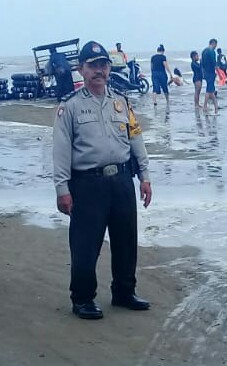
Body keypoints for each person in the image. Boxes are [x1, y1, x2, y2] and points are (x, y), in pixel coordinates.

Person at [53, 41, 153, 320]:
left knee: (125, 240)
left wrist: (144, 176)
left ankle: (124, 292)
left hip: (121, 181)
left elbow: (136, 138)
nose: (99, 70)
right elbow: (60, 151)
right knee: (85, 245)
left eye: (103, 65)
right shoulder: (69, 107)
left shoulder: (121, 102)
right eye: (93, 66)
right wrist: (62, 189)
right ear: (81, 69)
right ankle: (83, 298)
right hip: (87, 185)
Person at [201, 39, 220, 114]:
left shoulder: (204, 51)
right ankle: (205, 105)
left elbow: (202, 62)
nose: (215, 47)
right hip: (211, 72)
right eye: (215, 45)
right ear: (214, 43)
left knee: (211, 90)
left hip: (205, 72)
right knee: (209, 90)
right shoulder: (211, 51)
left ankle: (216, 106)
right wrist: (219, 72)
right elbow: (214, 63)